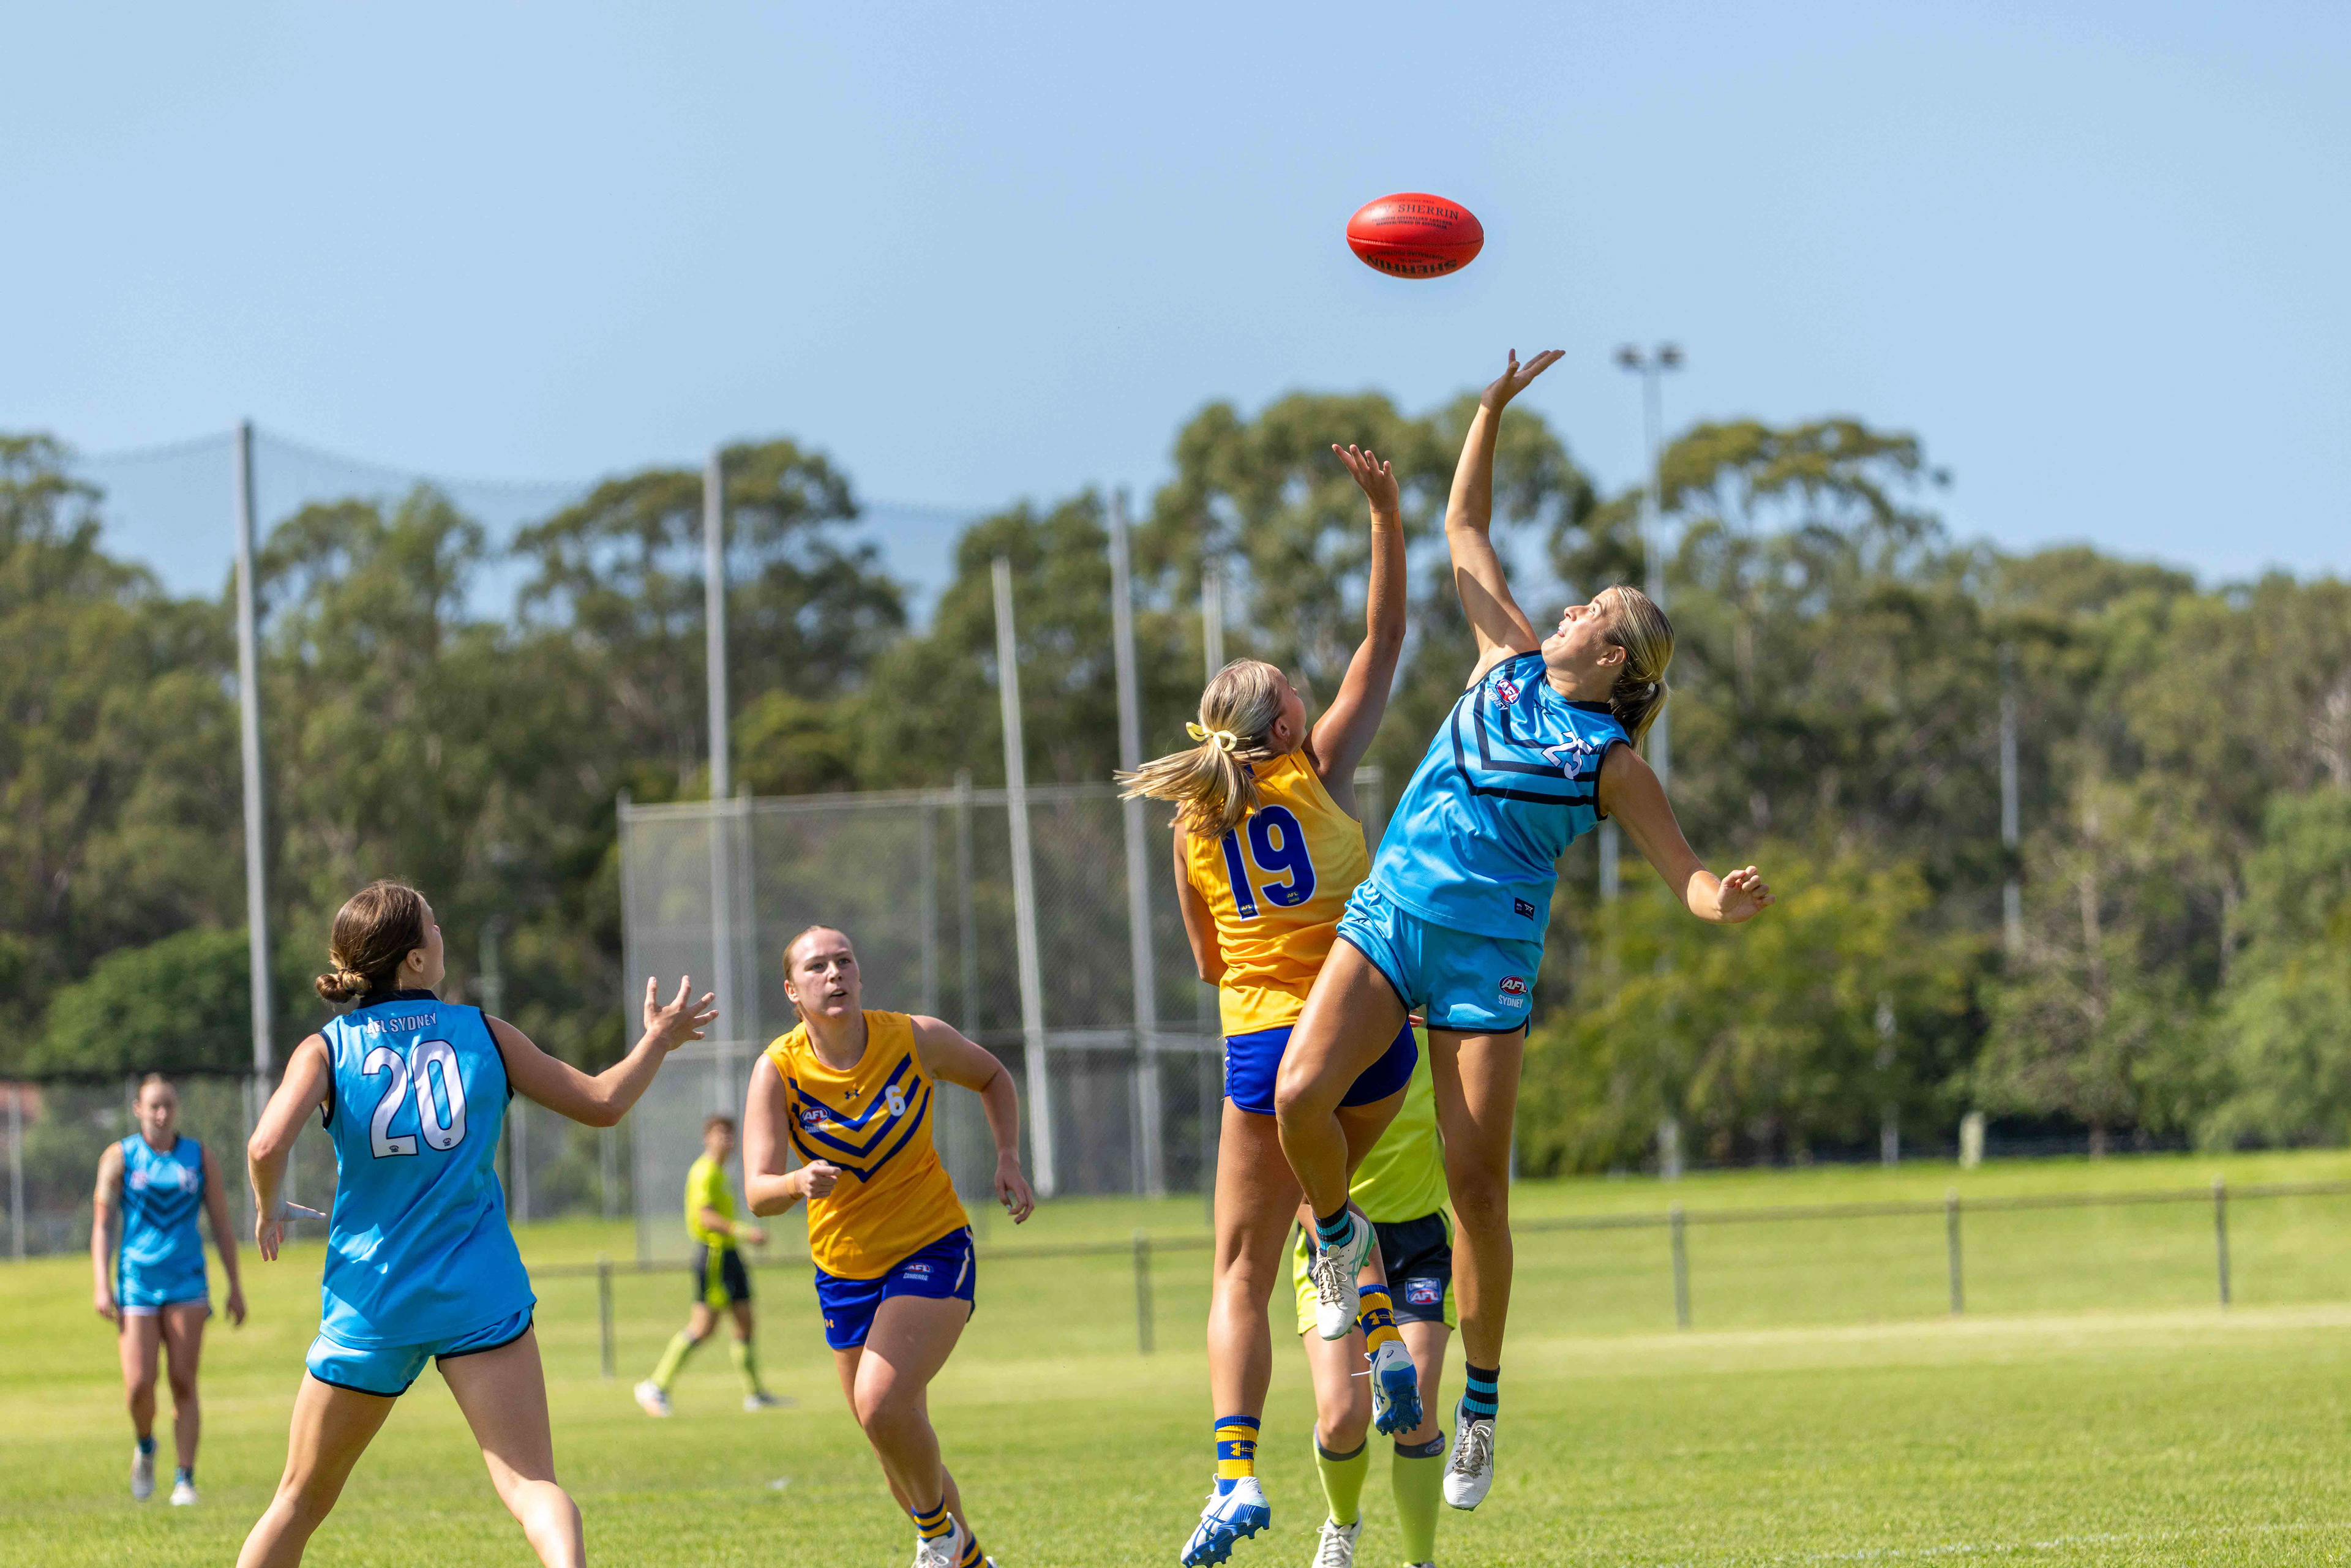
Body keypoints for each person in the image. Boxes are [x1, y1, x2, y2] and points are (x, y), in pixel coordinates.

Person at [1273, 350, 1775, 1512]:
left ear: (1613, 657)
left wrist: (1727, 902)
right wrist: (1490, 408)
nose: (1566, 610)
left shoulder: (1611, 762)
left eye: (1589, 611)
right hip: (1391, 918)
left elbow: (1687, 878)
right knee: (1298, 1096)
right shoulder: (1502, 661)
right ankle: (1340, 1244)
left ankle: (1482, 1409)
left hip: (1486, 964)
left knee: (1479, 1194)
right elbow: (1464, 526)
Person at [1118, 444, 1415, 1567]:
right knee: (1325, 1208)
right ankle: (1380, 1329)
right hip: (1374, 1037)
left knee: (1243, 1267)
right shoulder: (1320, 769)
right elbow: (1385, 639)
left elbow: (1207, 963)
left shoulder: (1191, 826)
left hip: (1264, 1041)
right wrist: (1383, 517)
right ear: (1288, 726)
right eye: (1298, 688)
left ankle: (1235, 1473)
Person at [234, 879, 714, 1568]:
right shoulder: (483, 1032)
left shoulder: (327, 1047)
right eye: (433, 925)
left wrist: (268, 1204)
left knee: (298, 1500)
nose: (441, 935)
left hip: (374, 1301)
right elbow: (603, 1102)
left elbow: (263, 1146)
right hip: (478, 1292)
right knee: (532, 1485)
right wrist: (658, 1040)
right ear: (415, 960)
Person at [741, 925, 1033, 1568]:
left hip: (932, 1244)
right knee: (891, 1438)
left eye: (844, 961)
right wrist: (795, 1181)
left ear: (860, 974)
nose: (834, 973)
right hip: (843, 1269)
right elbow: (758, 1191)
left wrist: (1008, 1155)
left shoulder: (913, 1037)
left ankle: (937, 1539)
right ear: (791, 990)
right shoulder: (778, 1069)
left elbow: (992, 1075)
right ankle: (965, 1556)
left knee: (880, 1403)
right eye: (817, 966)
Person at [1287, 1036, 1453, 1568]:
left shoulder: (1430, 1036)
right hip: (1334, 1243)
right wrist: (1332, 1231)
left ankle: (1419, 1560)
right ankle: (1342, 1522)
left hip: (1418, 1244)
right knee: (1343, 1417)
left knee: (1414, 1406)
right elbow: (1290, 1168)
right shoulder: (1316, 1039)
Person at [91, 1073, 247, 1506]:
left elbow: (222, 1224)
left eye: (168, 1105)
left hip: (187, 1282)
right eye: (154, 1106)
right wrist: (101, 1283)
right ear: (138, 1109)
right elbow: (103, 1225)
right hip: (137, 1283)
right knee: (139, 1386)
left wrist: (235, 1285)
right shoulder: (119, 1157)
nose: (162, 1114)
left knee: (183, 1380)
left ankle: (185, 1478)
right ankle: (145, 1447)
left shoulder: (199, 1157)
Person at [634, 1114, 788, 1416]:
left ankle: (755, 1395)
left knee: (745, 1321)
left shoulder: (720, 1173)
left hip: (730, 1255)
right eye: (719, 1134)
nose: (726, 1140)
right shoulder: (704, 1172)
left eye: (730, 1134)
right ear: (707, 1138)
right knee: (704, 1328)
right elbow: (705, 1217)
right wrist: (745, 1232)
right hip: (714, 1256)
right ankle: (656, 1386)